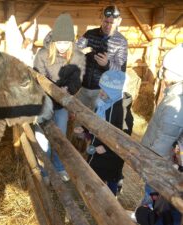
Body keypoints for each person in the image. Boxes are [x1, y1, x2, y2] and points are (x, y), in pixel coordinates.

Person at [33, 13, 86, 183]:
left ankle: (59, 166)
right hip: (44, 103)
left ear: (71, 41)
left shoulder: (78, 56)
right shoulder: (42, 54)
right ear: (54, 40)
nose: (62, 46)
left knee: (60, 137)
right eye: (59, 42)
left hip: (62, 104)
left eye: (66, 42)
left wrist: (67, 90)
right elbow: (37, 77)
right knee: (42, 139)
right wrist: (51, 90)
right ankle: (45, 171)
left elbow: (78, 79)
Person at [135, 43, 183, 225]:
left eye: (166, 69)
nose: (161, 72)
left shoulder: (177, 102)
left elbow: (165, 139)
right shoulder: (173, 93)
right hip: (156, 161)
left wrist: (150, 163)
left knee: (153, 198)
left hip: (158, 167)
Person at [86, 70, 133, 195]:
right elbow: (94, 121)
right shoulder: (102, 104)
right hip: (97, 149)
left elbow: (124, 138)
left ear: (114, 92)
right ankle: (96, 196)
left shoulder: (123, 112)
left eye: (104, 90)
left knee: (111, 177)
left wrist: (107, 147)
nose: (100, 92)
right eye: (101, 89)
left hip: (112, 154)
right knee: (95, 174)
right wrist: (85, 130)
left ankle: (112, 197)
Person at [76, 5, 128, 110]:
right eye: (105, 22)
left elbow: (120, 71)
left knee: (97, 122)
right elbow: (75, 50)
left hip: (102, 92)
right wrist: (82, 51)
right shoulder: (89, 34)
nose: (108, 25)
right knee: (79, 119)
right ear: (101, 19)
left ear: (119, 21)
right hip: (82, 88)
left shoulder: (121, 42)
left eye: (112, 23)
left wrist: (107, 64)